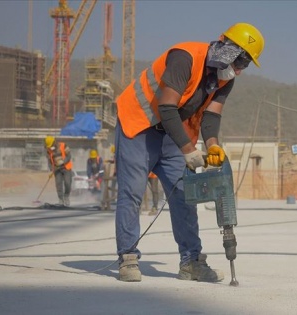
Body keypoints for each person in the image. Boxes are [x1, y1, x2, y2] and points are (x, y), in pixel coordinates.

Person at [114, 22, 264, 282]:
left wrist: (213, 145)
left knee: (184, 197)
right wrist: (188, 149)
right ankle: (128, 258)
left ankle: (191, 262)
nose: (238, 70)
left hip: (172, 133)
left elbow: (210, 116)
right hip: (139, 125)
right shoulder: (185, 57)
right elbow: (167, 107)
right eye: (239, 60)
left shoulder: (224, 79)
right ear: (223, 45)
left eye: (245, 65)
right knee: (132, 194)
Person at [44, 136, 73, 206]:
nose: (50, 147)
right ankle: (60, 199)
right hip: (57, 169)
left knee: (67, 183)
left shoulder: (63, 145)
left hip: (66, 167)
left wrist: (63, 162)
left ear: (54, 142)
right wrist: (52, 168)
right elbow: (49, 161)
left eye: (51, 145)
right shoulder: (49, 150)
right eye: (49, 146)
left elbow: (69, 156)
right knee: (58, 184)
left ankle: (66, 196)